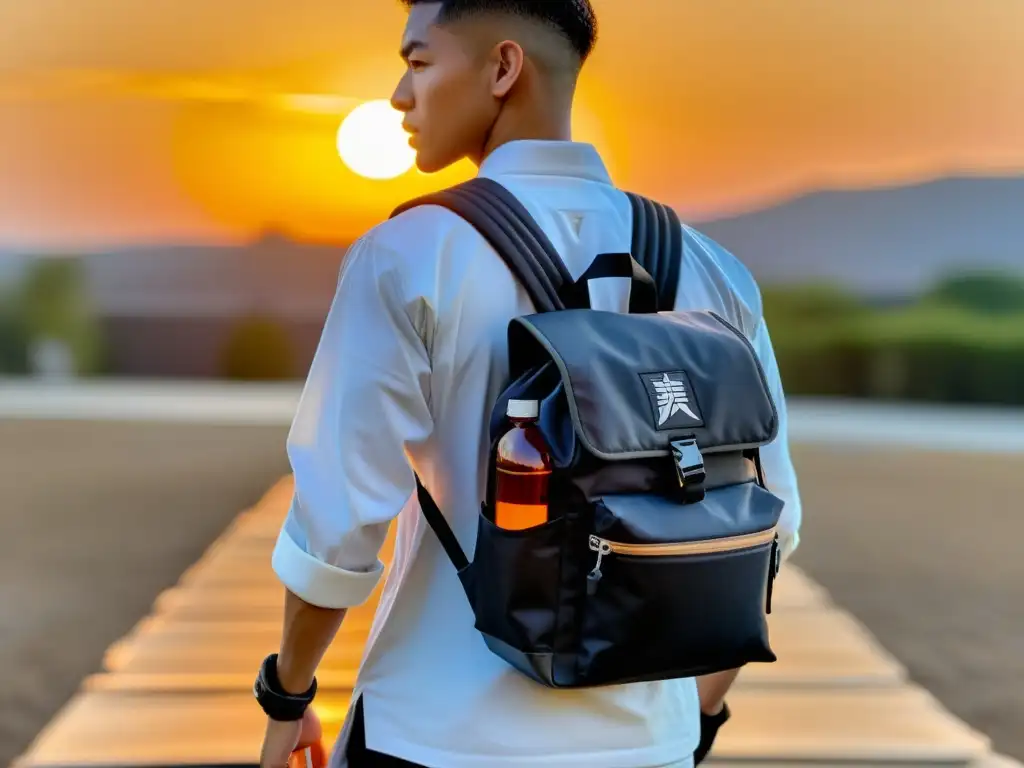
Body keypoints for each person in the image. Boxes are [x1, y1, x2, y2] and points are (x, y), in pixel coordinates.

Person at [254, 1, 803, 767]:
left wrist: (288, 696)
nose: (399, 97)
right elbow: (767, 524)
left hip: (438, 736)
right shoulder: (712, 271)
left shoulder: (410, 255)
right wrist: (697, 719)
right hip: (651, 744)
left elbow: (339, 522)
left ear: (503, 68)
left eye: (418, 63)